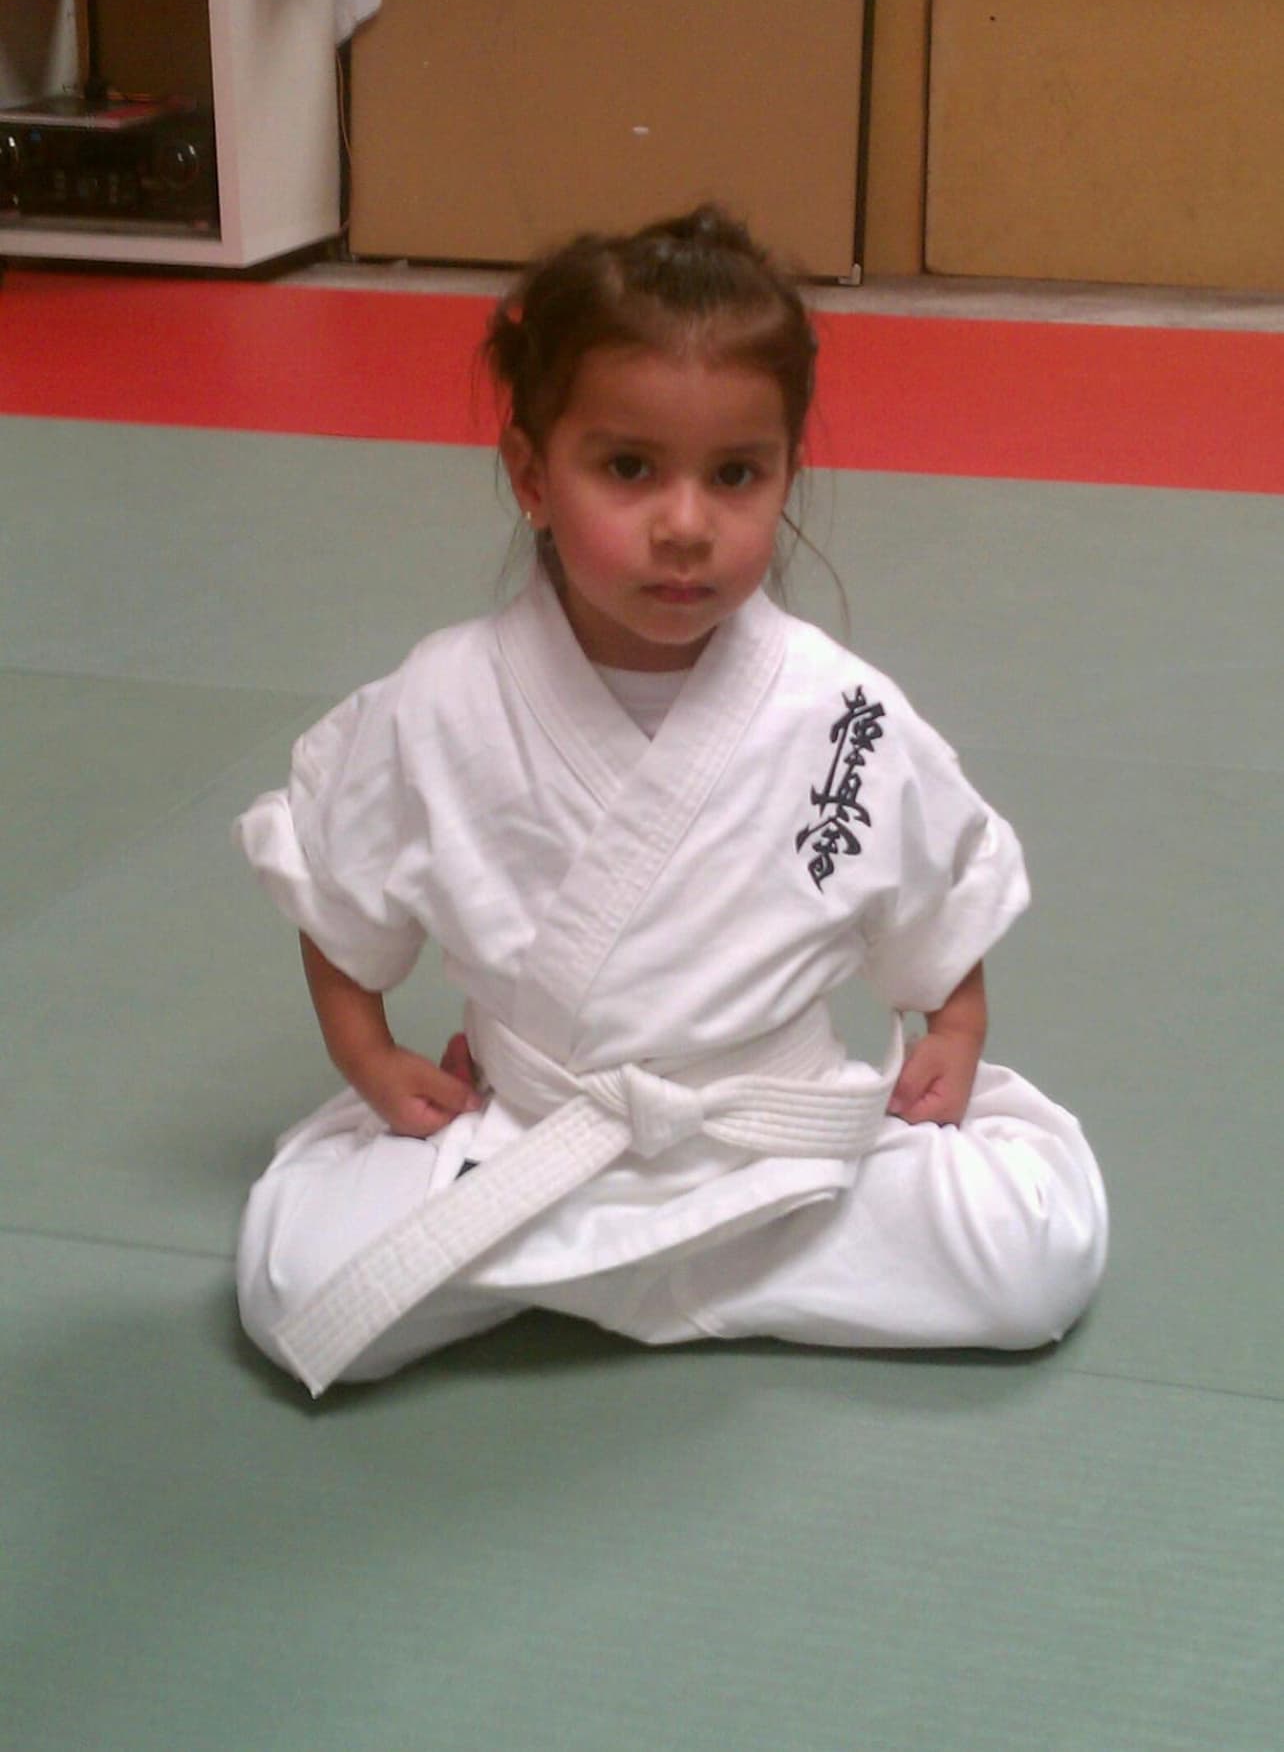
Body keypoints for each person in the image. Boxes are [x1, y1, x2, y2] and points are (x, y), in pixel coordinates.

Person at [235, 205, 1107, 1397]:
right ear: (535, 475)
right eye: (629, 468)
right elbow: (339, 900)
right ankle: (683, 1277)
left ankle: (610, 1278)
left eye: (736, 474)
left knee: (1031, 1260)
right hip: (543, 1135)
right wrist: (374, 1062)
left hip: (770, 1146)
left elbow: (936, 891)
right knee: (292, 1281)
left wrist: (953, 1035)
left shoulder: (839, 710)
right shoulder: (440, 700)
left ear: (788, 474)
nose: (687, 524)